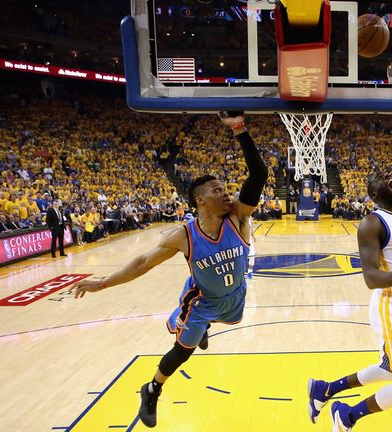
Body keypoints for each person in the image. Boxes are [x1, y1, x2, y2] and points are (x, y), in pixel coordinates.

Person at [70, 111, 266, 429]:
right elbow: (142, 264)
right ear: (200, 201)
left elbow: (258, 174)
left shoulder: (238, 217)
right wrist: (102, 283)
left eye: (224, 188)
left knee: (224, 321)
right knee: (183, 350)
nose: (225, 192)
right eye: (217, 190)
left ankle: (203, 328)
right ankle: (152, 390)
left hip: (236, 295)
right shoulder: (183, 236)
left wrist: (240, 130)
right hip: (203, 301)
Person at [307, 61, 392, 432]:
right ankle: (347, 415)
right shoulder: (372, 223)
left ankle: (325, 388)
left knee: (389, 365)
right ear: (371, 193)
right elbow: (371, 277)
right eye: (383, 180)